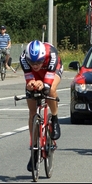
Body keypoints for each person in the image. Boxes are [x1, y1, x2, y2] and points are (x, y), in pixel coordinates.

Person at [19, 40, 63, 172]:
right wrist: (31, 84)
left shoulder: (52, 55)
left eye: (38, 62)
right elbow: (29, 79)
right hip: (36, 76)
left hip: (52, 70)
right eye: (32, 62)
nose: (35, 65)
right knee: (32, 110)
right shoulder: (23, 59)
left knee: (50, 90)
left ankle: (54, 119)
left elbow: (47, 83)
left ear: (43, 57)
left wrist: (43, 84)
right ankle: (34, 149)